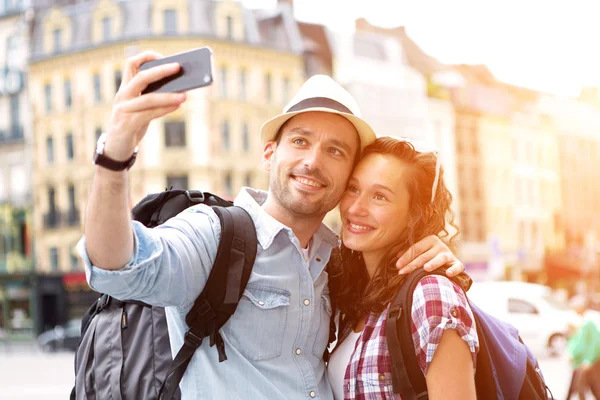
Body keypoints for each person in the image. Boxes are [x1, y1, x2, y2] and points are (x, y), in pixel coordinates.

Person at [77, 51, 466, 399]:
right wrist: (115, 152)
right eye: (300, 141)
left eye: (335, 150)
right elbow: (117, 267)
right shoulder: (214, 235)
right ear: (269, 153)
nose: (313, 161)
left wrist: (432, 250)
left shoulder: (336, 262)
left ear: (348, 172)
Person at [328, 136, 478, 400]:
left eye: (379, 196)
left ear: (413, 216)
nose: (355, 207)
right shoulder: (352, 292)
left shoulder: (430, 293)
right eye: (353, 188)